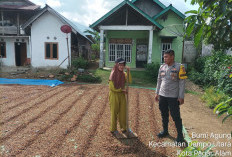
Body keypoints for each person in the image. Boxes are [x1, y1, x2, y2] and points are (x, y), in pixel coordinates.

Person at [155, 49, 187, 144]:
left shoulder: (179, 67)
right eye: (164, 57)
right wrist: (157, 93)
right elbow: (159, 80)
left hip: (173, 96)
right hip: (162, 95)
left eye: (166, 57)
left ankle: (180, 136)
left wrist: (181, 96)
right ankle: (165, 131)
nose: (164, 58)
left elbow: (182, 83)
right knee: (163, 113)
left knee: (175, 116)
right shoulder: (162, 67)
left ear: (172, 57)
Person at [109, 57, 133, 138]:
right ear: (116, 65)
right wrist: (121, 90)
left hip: (122, 95)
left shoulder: (124, 74)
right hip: (114, 95)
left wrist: (128, 72)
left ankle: (124, 128)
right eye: (120, 65)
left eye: (123, 65)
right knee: (114, 112)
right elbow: (112, 88)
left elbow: (129, 81)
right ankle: (113, 129)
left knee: (123, 112)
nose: (121, 66)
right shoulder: (113, 74)